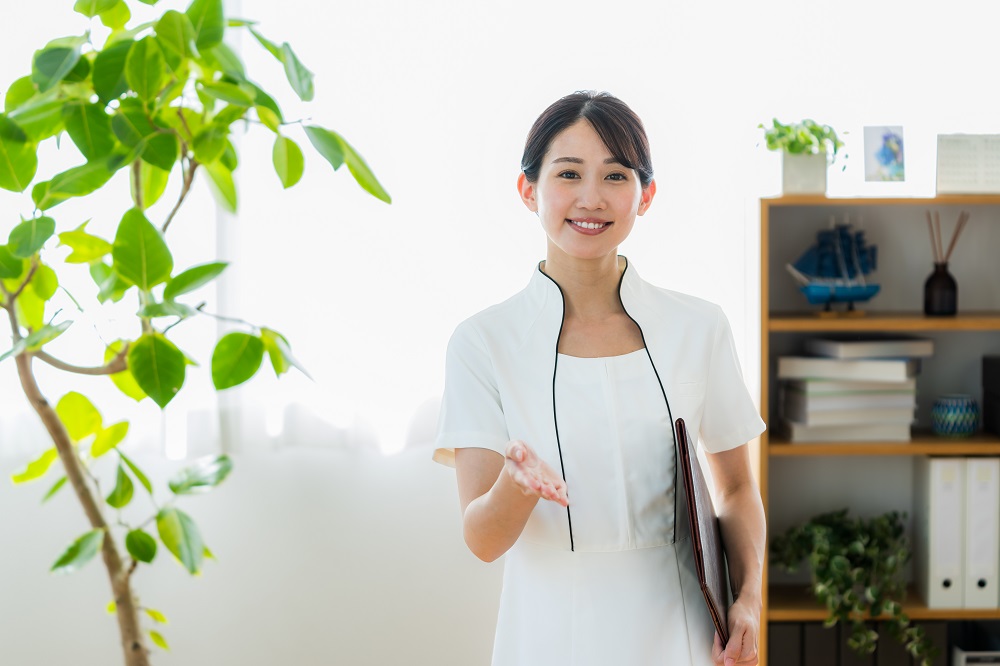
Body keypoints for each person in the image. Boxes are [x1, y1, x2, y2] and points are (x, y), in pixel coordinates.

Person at [432, 91, 766, 666]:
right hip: (548, 634)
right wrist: (518, 482)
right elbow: (483, 541)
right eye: (568, 173)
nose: (592, 197)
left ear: (646, 196)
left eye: (616, 175)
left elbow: (735, 489)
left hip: (683, 631)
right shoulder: (483, 342)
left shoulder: (699, 326)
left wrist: (750, 599)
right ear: (528, 189)